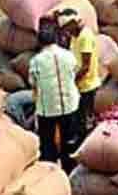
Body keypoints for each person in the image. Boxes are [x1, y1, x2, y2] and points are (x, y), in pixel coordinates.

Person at [29, 23, 81, 172]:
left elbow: (33, 82)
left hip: (47, 108)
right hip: (70, 104)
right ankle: (69, 171)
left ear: (40, 42)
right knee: (69, 141)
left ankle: (50, 173)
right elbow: (74, 72)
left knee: (47, 143)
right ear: (56, 39)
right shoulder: (68, 55)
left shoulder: (36, 61)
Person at [62, 10, 103, 142]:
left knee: (85, 118)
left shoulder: (85, 36)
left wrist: (71, 81)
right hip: (79, 84)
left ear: (73, 23)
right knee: (78, 117)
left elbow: (86, 66)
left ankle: (86, 143)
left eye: (67, 28)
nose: (66, 32)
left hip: (87, 85)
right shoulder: (75, 36)